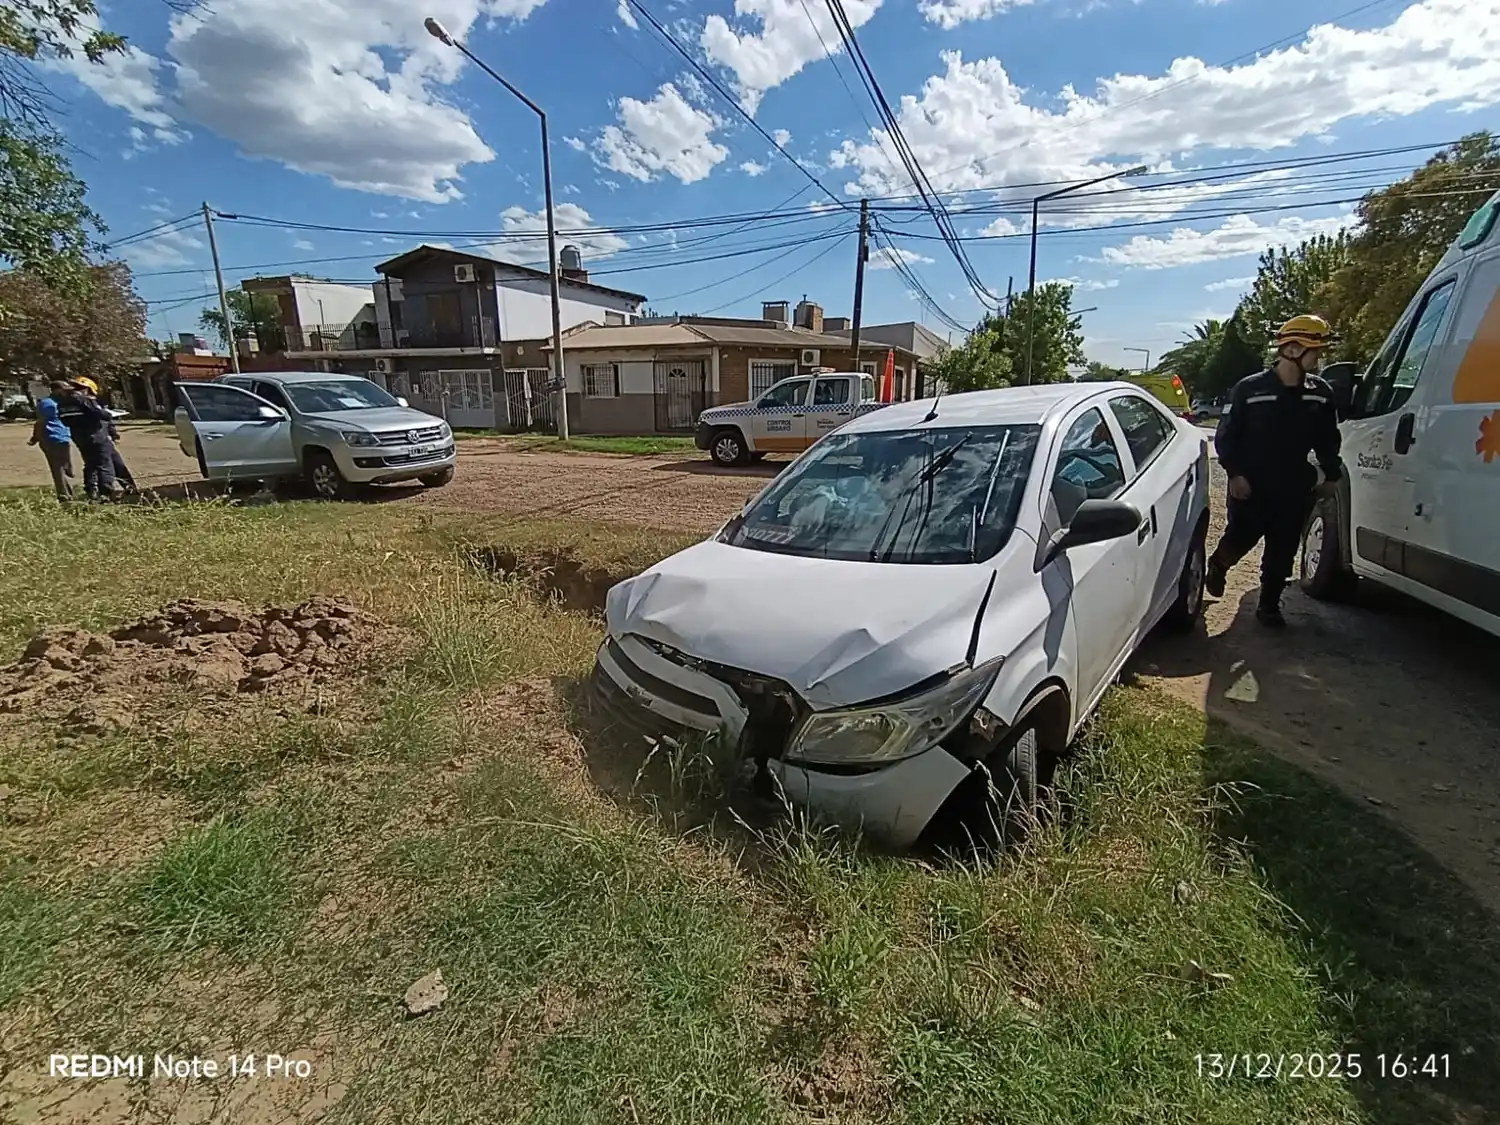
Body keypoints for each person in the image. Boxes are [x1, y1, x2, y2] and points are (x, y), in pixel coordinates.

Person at [1206, 314, 1342, 628]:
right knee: (1241, 538)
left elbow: (1327, 439)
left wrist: (1331, 474)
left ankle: (1268, 606)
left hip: (1295, 485)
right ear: (1293, 349)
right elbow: (1227, 437)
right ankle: (1219, 564)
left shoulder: (1320, 393)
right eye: (1315, 351)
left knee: (1283, 548)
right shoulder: (1249, 390)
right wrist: (1235, 473)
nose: (1319, 358)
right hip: (1251, 484)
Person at [55, 377, 118, 501]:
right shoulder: (84, 400)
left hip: (79, 437)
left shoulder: (63, 403)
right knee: (103, 465)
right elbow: (103, 415)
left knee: (90, 464)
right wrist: (109, 413)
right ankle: (106, 494)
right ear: (87, 390)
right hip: (96, 436)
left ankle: (91, 492)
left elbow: (64, 420)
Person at [27, 381, 75, 501]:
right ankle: (64, 496)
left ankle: (68, 491)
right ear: (55, 390)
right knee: (58, 468)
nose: (67, 392)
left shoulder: (63, 402)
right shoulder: (47, 404)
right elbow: (40, 422)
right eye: (64, 389)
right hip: (51, 438)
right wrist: (36, 437)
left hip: (64, 437)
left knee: (65, 468)